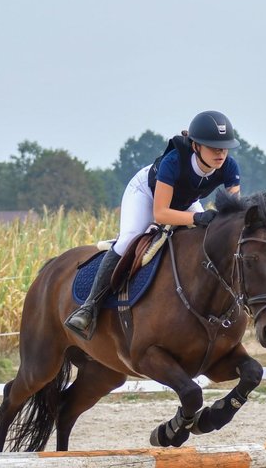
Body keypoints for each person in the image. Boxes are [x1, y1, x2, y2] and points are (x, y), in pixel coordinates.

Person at [64, 110, 242, 339]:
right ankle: (89, 306)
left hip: (186, 201)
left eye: (225, 147)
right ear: (196, 146)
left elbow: (233, 213)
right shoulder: (173, 163)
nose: (221, 153)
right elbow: (161, 214)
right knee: (129, 239)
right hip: (146, 194)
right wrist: (197, 218)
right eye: (214, 147)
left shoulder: (230, 167)